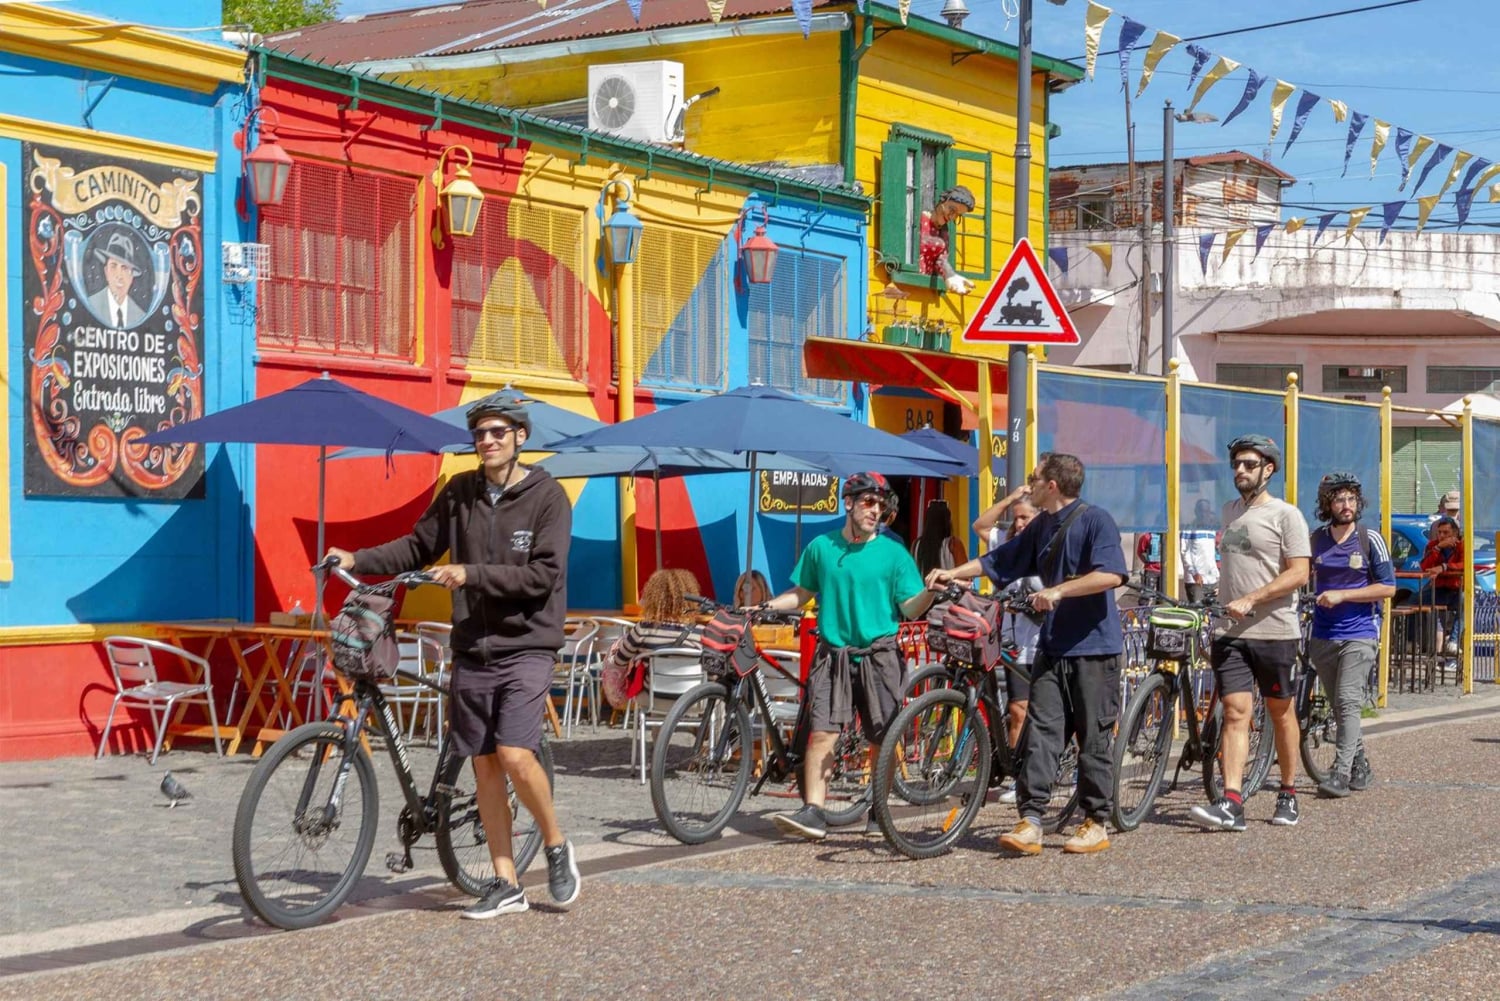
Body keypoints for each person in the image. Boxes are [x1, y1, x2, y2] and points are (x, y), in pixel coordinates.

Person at [325, 393, 579, 919]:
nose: (486, 441)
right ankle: (506, 883)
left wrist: (471, 574)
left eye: (497, 432)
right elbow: (417, 546)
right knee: (485, 764)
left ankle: (555, 843)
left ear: (520, 436)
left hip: (526, 643)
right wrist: (359, 557)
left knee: (513, 753)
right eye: (480, 434)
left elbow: (543, 576)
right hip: (472, 647)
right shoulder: (460, 491)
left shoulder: (547, 497)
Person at [930, 452, 1129, 856]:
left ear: (1052, 485)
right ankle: (1032, 819)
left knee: (1093, 735)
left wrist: (1058, 590)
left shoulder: (1096, 520)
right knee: (1042, 731)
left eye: (1034, 478)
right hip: (1052, 646)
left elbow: (1112, 573)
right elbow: (998, 561)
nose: (1029, 484)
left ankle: (1095, 821)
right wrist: (953, 572)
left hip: (1093, 648)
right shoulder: (1041, 527)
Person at [762, 471, 937, 841]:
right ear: (849, 503)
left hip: (879, 656)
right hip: (833, 655)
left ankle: (878, 808)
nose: (876, 511)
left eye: (881, 504)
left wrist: (931, 592)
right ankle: (814, 811)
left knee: (881, 738)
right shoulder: (821, 547)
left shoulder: (894, 553)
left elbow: (909, 608)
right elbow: (802, 593)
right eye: (869, 503)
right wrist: (766, 606)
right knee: (820, 734)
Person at [1190, 434, 1310, 833]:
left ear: (1267, 469)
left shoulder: (1286, 515)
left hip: (1274, 631)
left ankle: (1289, 792)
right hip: (1231, 632)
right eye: (1236, 464)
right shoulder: (1229, 511)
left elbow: (1299, 573)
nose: (1239, 471)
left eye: (1248, 464)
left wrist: (1253, 598)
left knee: (1280, 713)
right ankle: (1232, 802)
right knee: (1236, 714)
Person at [1308, 472, 1395, 798]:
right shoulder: (1316, 539)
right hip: (1323, 633)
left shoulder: (1369, 537)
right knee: (1339, 706)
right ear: (1327, 504)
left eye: (1351, 499)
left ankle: (1340, 774)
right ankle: (1360, 764)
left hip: (1359, 632)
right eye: (1339, 499)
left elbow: (1388, 587)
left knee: (1347, 700)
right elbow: (1300, 575)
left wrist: (1343, 595)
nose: (1346, 505)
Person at [600, 569, 704, 712]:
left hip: (653, 698)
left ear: (653, 597)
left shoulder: (643, 629)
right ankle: (710, 732)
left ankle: (660, 732)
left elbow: (619, 661)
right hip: (692, 700)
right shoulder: (700, 633)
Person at [995, 494, 1042, 805]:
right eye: (1017, 518)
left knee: (1056, 713)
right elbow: (980, 525)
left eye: (1025, 517)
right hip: (1015, 646)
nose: (1020, 523)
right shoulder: (1008, 549)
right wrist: (1010, 499)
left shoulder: (1048, 550)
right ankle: (1018, 776)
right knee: (1017, 711)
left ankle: (1076, 769)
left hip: (1043, 644)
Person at [1421, 516, 1464, 666]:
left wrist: (1444, 567)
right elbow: (1425, 566)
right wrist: (1438, 548)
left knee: (1465, 602)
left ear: (1455, 533)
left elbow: (1465, 564)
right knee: (1414, 601)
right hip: (1438, 589)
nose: (1442, 536)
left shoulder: (1462, 546)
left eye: (1446, 533)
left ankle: (1453, 640)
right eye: (1440, 532)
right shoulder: (1433, 545)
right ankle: (1414, 643)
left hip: (1456, 588)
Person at [919, 186, 977, 296]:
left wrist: (951, 275)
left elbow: (941, 260)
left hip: (925, 289)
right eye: (952, 210)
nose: (952, 217)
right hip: (909, 281)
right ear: (943, 201)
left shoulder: (944, 231)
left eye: (957, 215)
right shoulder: (919, 220)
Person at [88, 229, 148, 329]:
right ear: (106, 272)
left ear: (131, 276)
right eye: (113, 266)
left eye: (124, 268)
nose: (119, 275)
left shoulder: (140, 316)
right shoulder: (91, 305)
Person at [912, 498, 968, 578]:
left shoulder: (916, 544)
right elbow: (965, 575)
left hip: (924, 589)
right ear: (947, 521)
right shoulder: (953, 544)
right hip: (949, 589)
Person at [1182, 498, 1221, 604]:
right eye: (1201, 511)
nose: (1204, 514)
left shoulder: (1212, 530)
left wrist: (1217, 576)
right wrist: (1194, 572)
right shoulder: (1189, 529)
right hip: (1195, 580)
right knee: (1198, 612)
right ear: (1196, 512)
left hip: (1212, 580)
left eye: (1207, 511)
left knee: (1212, 613)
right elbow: (1184, 552)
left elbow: (1212, 553)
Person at [974, 483, 1033, 552]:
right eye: (1015, 519)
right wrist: (1010, 499)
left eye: (1024, 517)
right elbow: (981, 527)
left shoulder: (1046, 545)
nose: (1018, 524)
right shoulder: (1009, 542)